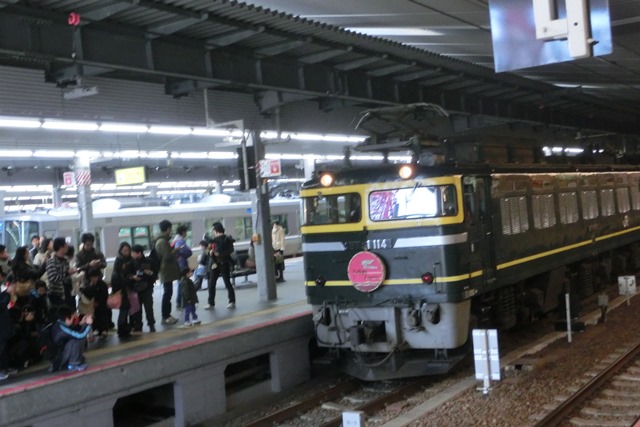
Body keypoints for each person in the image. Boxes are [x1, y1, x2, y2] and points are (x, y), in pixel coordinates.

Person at [50, 305, 92, 372]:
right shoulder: (62, 328)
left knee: (75, 339)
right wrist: (88, 324)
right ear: (67, 318)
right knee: (75, 341)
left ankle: (74, 361)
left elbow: (72, 331)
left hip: (60, 354)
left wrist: (82, 323)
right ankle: (73, 364)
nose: (73, 320)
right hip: (59, 358)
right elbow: (80, 335)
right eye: (72, 318)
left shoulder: (59, 324)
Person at [205, 222, 236, 310]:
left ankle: (232, 301)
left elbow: (229, 251)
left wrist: (219, 254)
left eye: (213, 230)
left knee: (227, 282)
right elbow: (207, 249)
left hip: (223, 262)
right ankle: (211, 303)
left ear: (216, 230)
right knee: (211, 283)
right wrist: (209, 252)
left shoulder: (226, 239)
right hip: (214, 263)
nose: (212, 232)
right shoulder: (214, 240)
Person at [155, 220, 179, 325]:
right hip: (166, 271)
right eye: (170, 229)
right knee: (167, 294)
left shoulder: (162, 241)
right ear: (168, 229)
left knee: (168, 293)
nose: (171, 231)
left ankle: (167, 315)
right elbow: (168, 257)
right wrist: (176, 250)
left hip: (166, 271)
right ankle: (165, 316)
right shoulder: (162, 242)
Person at [111, 242, 137, 338]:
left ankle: (126, 328)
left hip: (128, 287)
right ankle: (122, 329)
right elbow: (121, 276)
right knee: (124, 309)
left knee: (128, 308)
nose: (127, 252)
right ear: (121, 251)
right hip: (122, 288)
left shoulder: (130, 260)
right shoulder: (120, 261)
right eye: (124, 250)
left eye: (128, 250)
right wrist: (131, 278)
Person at [46, 238, 76, 315]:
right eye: (65, 245)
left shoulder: (65, 260)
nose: (67, 247)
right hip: (57, 295)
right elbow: (52, 278)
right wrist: (66, 273)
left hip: (68, 293)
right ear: (60, 247)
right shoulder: (52, 261)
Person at [130, 245, 156, 333]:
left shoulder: (149, 261)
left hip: (147, 287)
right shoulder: (131, 263)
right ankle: (138, 325)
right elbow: (128, 274)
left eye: (133, 253)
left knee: (148, 307)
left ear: (139, 253)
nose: (131, 254)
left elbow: (154, 274)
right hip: (135, 288)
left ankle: (151, 324)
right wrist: (132, 277)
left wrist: (150, 273)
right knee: (137, 308)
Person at [80, 269, 110, 338]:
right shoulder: (89, 284)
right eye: (92, 277)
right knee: (95, 317)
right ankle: (98, 330)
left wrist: (98, 302)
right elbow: (87, 293)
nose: (93, 279)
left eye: (95, 277)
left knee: (102, 316)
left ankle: (104, 331)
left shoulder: (102, 284)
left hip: (101, 304)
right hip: (92, 305)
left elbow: (104, 295)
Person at [0, 268, 18, 381]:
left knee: (4, 346)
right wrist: (7, 293)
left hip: (4, 321)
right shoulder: (4, 291)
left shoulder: (2, 288)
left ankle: (5, 367)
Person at [173, 225, 192, 310]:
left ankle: (180, 303)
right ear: (183, 232)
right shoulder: (180, 241)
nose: (186, 233)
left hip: (178, 264)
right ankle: (180, 303)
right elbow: (187, 251)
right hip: (181, 265)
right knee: (182, 284)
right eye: (185, 231)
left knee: (181, 284)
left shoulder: (175, 240)